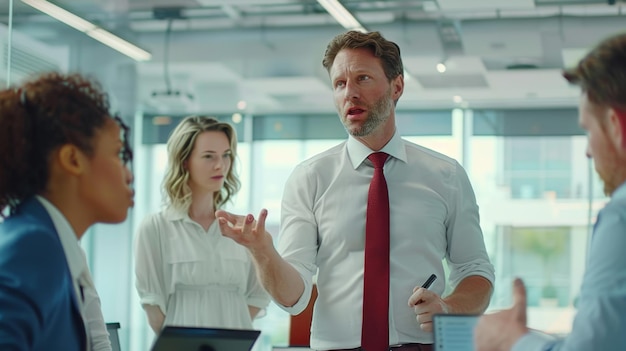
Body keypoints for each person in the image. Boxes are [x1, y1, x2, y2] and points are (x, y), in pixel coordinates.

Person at [216, 30, 495, 351]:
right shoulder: (309, 178)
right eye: (339, 83)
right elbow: (294, 298)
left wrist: (448, 308)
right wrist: (263, 253)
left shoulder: (446, 175)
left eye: (362, 78)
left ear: (397, 87)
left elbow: (475, 270)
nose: (349, 93)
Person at [473, 33, 626, 351]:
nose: (587, 151)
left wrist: (509, 340)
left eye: (588, 129)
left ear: (615, 126)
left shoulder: (621, 218)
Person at [0, 72, 135, 351]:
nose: (128, 174)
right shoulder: (34, 247)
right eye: (117, 154)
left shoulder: (46, 241)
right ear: (73, 160)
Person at [134, 115, 270, 334]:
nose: (220, 165)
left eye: (226, 155)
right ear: (184, 160)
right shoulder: (155, 227)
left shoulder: (241, 229)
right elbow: (154, 309)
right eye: (208, 156)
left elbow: (258, 294)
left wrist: (229, 337)